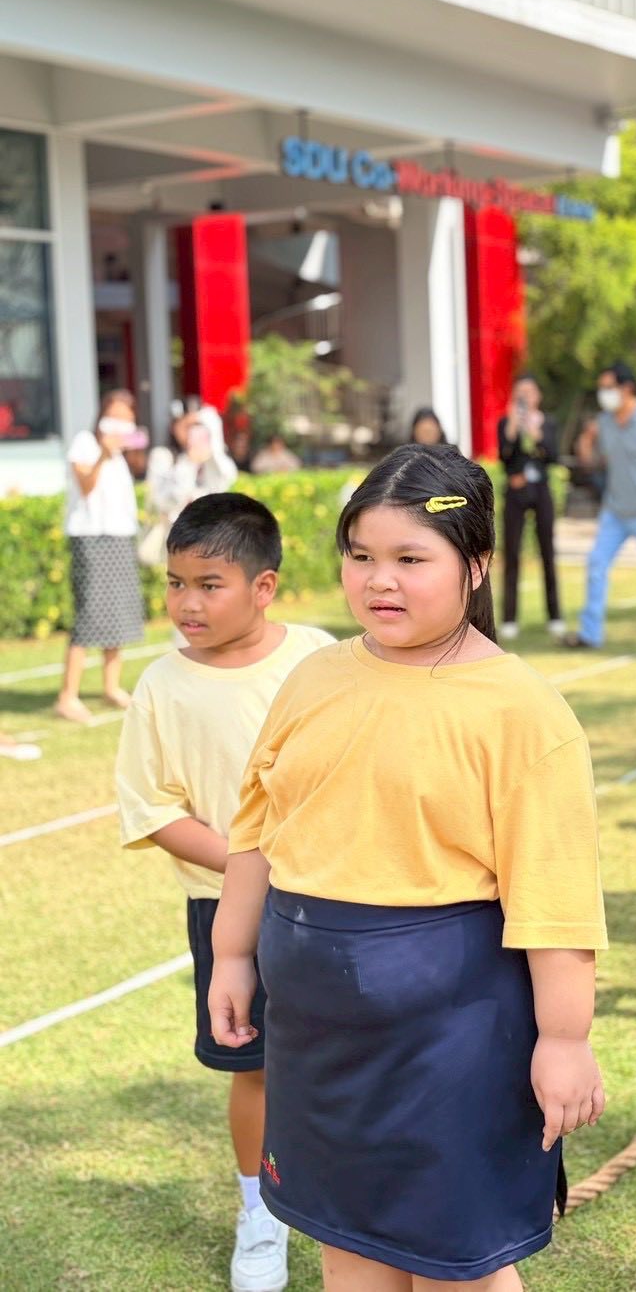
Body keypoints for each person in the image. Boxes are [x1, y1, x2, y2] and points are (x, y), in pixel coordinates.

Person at [208, 444, 607, 1289]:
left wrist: (565, 1039)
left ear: (476, 563)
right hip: (315, 1034)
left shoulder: (522, 711)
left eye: (410, 559)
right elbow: (257, 829)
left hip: (454, 1039)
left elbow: (556, 900)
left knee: (457, 1263)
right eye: (360, 556)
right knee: (344, 1238)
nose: (379, 580)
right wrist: (233, 954)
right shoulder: (313, 677)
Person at [116, 493, 334, 1292]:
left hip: (334, 899)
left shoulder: (318, 657)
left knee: (351, 1056)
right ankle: (260, 1212)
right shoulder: (161, 685)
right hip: (226, 911)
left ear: (263, 586)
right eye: (175, 583)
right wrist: (251, 865)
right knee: (257, 1066)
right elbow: (154, 810)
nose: (187, 602)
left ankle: (356, 1197)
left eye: (209, 584)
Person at [565, 363, 636, 649]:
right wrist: (586, 439)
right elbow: (593, 462)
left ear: (626, 388)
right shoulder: (604, 422)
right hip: (615, 511)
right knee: (596, 565)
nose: (603, 393)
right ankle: (590, 635)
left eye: (608, 387)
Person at [55, 389, 145, 724]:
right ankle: (68, 696)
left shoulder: (123, 455)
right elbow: (85, 486)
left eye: (127, 417)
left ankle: (111, 686)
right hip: (91, 538)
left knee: (118, 613)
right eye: (116, 415)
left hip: (120, 537)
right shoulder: (85, 443)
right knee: (89, 613)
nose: (121, 423)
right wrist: (104, 455)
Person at [498, 374, 564, 640]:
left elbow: (553, 455)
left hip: (541, 490)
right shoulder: (506, 422)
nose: (525, 396)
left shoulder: (547, 422)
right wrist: (513, 426)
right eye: (520, 392)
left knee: (547, 551)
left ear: (538, 396)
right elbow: (504, 455)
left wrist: (536, 433)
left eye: (530, 391)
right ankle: (509, 618)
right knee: (512, 553)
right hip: (516, 491)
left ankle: (555, 615)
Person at [147, 400, 238, 528]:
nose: (193, 432)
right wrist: (189, 463)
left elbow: (227, 480)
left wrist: (215, 445)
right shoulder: (162, 455)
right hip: (173, 532)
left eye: (198, 426)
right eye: (187, 426)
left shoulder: (211, 458)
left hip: (205, 532)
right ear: (174, 426)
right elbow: (163, 502)